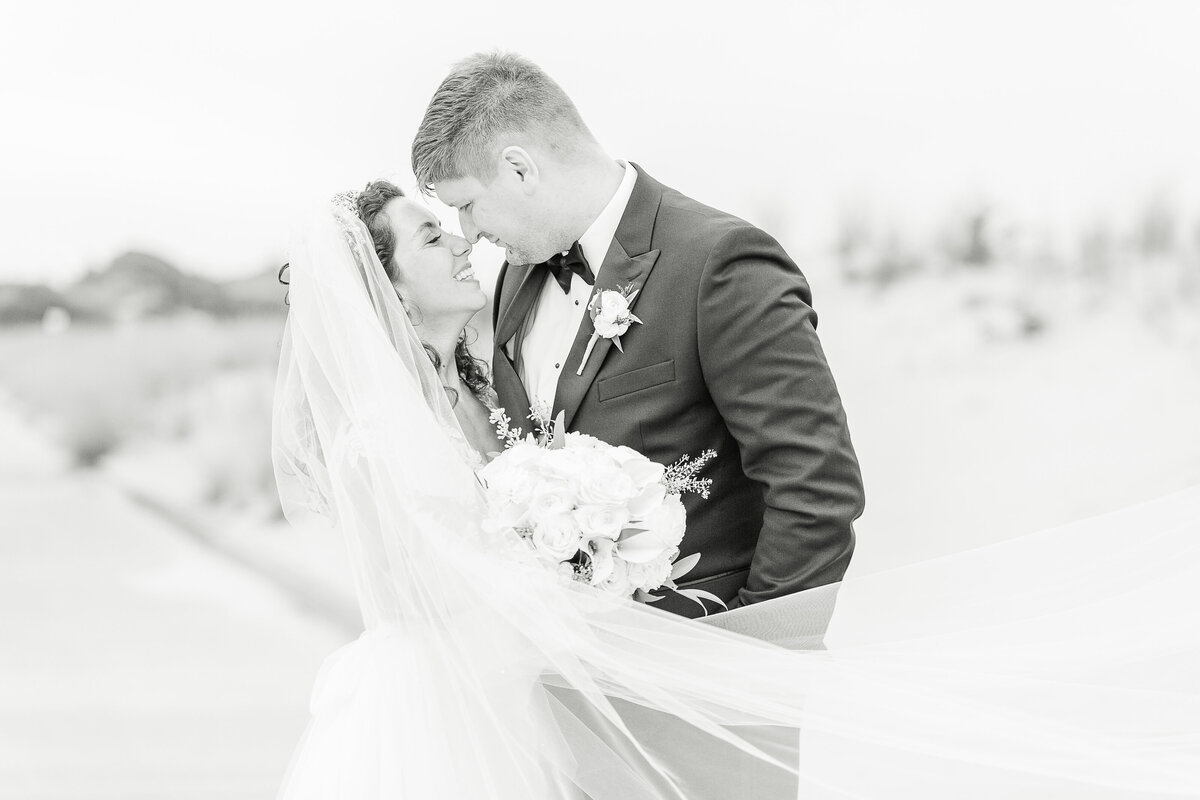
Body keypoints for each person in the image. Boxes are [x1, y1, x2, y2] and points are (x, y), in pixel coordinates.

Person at [271, 184, 1200, 798]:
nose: (465, 242)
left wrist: (595, 549)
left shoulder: (476, 379)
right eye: (433, 235)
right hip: (448, 715)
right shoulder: (379, 438)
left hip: (540, 698)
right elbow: (418, 598)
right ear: (385, 291)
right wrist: (577, 578)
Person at [411, 52, 865, 617]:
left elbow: (816, 488)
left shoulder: (718, 263)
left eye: (469, 206)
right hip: (574, 678)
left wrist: (754, 659)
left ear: (519, 169)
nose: (469, 233)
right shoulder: (515, 276)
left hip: (711, 669)